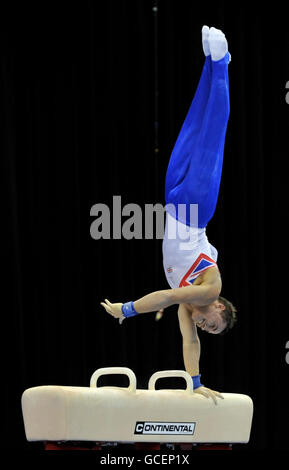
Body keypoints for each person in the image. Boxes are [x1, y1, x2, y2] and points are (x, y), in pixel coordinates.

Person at [101, 26, 237, 403]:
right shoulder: (209, 287)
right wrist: (127, 310)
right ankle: (222, 63)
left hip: (172, 197)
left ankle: (209, 63)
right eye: (213, 323)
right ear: (219, 306)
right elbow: (162, 295)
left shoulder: (189, 306)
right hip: (197, 207)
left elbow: (188, 341)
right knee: (212, 133)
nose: (205, 326)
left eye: (209, 329)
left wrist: (196, 383)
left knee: (193, 125)